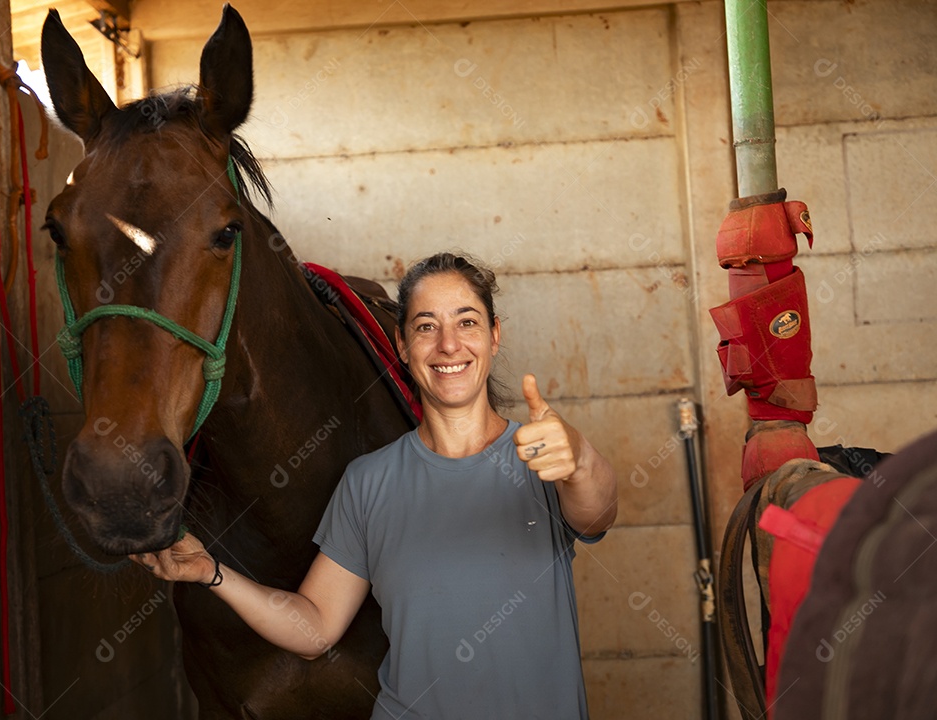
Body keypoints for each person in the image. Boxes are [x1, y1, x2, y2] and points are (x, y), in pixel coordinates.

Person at [132, 252, 618, 719]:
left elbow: (598, 511)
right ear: (403, 346)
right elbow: (317, 625)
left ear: (494, 336)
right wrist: (210, 572)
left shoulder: (544, 456)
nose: (449, 344)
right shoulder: (368, 481)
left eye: (467, 321)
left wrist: (578, 457)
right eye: (426, 326)